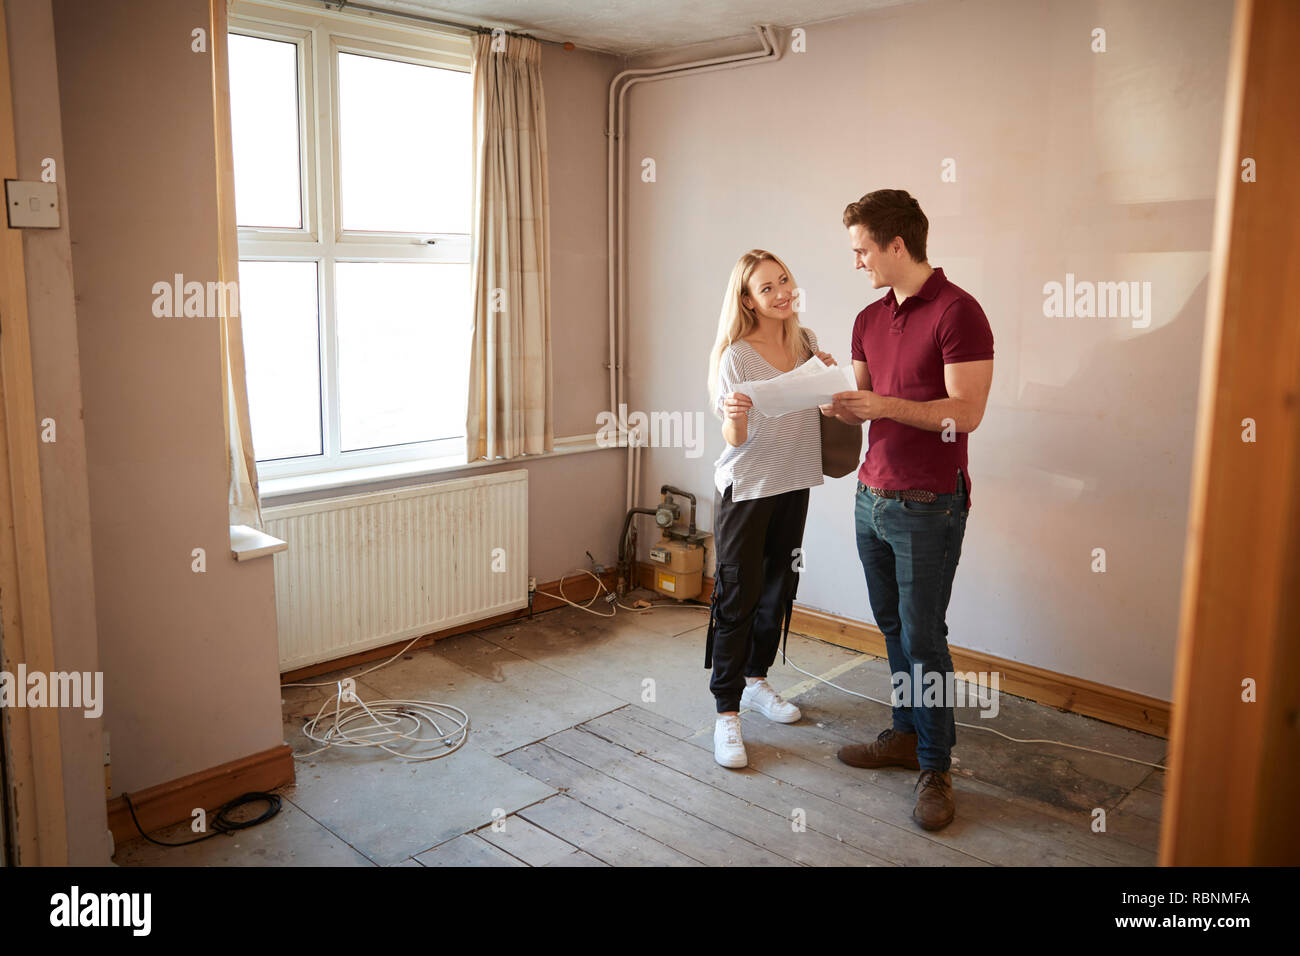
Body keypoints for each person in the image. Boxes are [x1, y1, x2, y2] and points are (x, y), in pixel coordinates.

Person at [825, 190, 994, 830]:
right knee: (893, 628)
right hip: (871, 496)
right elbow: (862, 399)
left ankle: (935, 764)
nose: (857, 261)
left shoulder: (960, 312)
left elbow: (967, 413)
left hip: (930, 503)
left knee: (925, 638)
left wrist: (884, 407)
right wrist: (832, 400)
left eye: (862, 249)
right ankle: (902, 734)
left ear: (897, 245)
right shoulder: (869, 318)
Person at [705, 249, 840, 769]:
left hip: (794, 482)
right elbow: (734, 436)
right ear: (748, 300)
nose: (782, 292)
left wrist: (830, 390)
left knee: (777, 588)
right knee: (738, 595)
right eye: (767, 287)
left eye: (784, 280)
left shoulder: (806, 343)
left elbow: (825, 409)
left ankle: (756, 680)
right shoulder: (736, 356)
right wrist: (736, 415)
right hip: (746, 488)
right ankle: (726, 713)